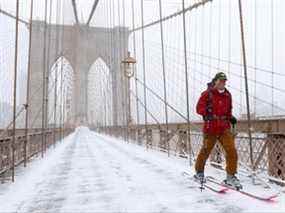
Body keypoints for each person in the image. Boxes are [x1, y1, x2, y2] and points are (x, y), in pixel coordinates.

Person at [194, 72, 242, 190]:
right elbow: (198, 109)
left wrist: (230, 117)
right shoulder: (207, 94)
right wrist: (207, 111)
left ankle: (230, 177)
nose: (223, 83)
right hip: (211, 128)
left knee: (231, 151)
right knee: (205, 151)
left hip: (224, 128)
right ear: (215, 81)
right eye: (220, 80)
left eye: (224, 81)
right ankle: (199, 172)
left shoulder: (227, 95)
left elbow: (228, 110)